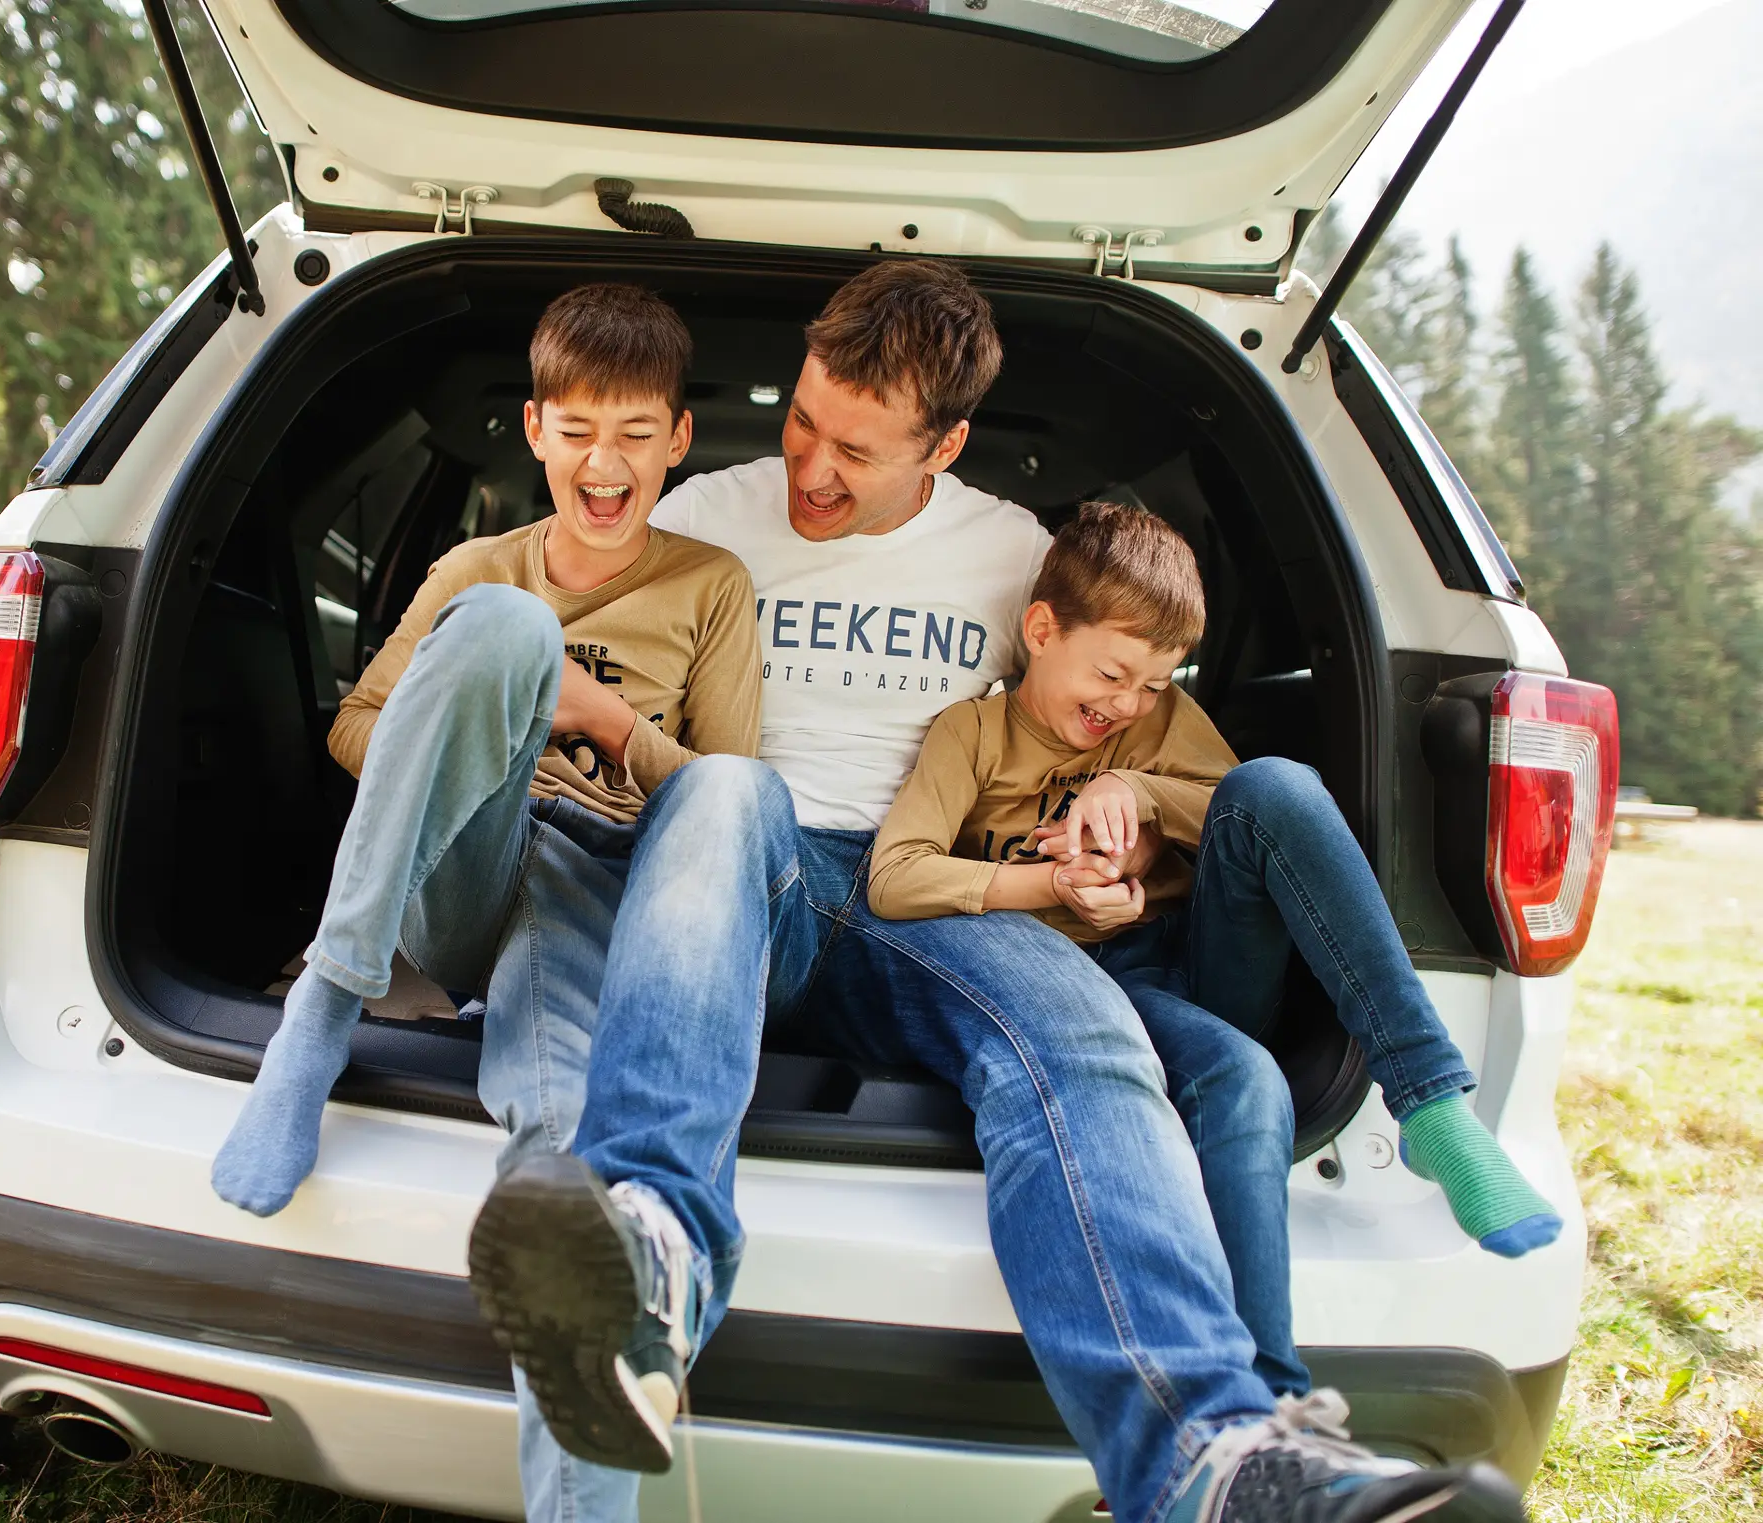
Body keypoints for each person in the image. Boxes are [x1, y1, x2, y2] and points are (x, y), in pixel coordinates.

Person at [464, 262, 1530, 1523]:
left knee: (1086, 1034)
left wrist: (1123, 848)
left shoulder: (1016, 559)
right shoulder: (705, 511)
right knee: (728, 793)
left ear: (946, 443)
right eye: (803, 421)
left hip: (913, 887)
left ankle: (1215, 1458)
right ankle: (648, 1262)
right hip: (726, 853)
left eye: (857, 450)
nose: (809, 468)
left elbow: (1128, 742)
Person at [867, 500, 1561, 1403]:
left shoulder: (1155, 724)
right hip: (1065, 996)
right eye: (1114, 673)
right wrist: (1053, 888)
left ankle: (1429, 1100)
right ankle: (1267, 1391)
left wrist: (1137, 792)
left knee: (1276, 783)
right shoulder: (974, 735)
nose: (1127, 703)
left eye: (1156, 682)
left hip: (1182, 969)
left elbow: (1248, 811)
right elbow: (894, 878)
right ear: (1042, 630)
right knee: (1250, 1081)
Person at [209, 282, 760, 1215]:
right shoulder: (478, 568)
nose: (605, 461)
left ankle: (557, 1280)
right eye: (579, 429)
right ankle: (324, 1009)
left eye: (635, 432)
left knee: (564, 1113)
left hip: (605, 872)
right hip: (460, 867)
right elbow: (353, 727)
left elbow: (728, 801)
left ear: (678, 438)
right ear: (536, 428)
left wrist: (604, 719)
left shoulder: (712, 584)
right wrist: (493, 720)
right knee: (508, 627)